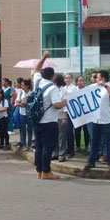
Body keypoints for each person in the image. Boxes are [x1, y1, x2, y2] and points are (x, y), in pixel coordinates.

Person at [32, 51, 67, 180]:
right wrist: (65, 102)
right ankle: (46, 171)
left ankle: (39, 170)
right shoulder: (53, 88)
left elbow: (36, 68)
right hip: (49, 122)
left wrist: (44, 57)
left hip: (37, 120)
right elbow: (57, 105)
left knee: (39, 147)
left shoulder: (37, 81)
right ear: (53, 77)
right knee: (48, 147)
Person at [85, 70, 110, 173]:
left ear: (103, 78)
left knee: (108, 142)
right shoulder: (94, 87)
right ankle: (91, 161)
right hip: (95, 120)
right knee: (94, 142)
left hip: (107, 120)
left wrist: (105, 86)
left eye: (98, 77)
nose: (96, 79)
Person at [52, 74, 68, 162]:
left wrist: (64, 117)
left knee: (61, 136)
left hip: (61, 115)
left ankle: (62, 154)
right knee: (54, 135)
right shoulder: (53, 90)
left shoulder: (64, 91)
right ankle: (55, 153)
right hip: (53, 116)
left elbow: (66, 104)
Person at [16, 79, 33, 151]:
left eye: (23, 85)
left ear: (27, 86)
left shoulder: (31, 93)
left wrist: (25, 104)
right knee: (22, 129)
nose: (21, 86)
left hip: (29, 113)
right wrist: (23, 104)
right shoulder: (20, 93)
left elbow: (32, 104)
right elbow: (17, 103)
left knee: (29, 129)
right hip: (22, 113)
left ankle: (29, 144)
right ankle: (23, 144)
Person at [74, 76, 89, 152]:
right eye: (79, 81)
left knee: (86, 130)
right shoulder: (74, 90)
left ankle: (86, 145)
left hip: (86, 113)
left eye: (82, 80)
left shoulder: (88, 90)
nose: (81, 82)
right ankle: (77, 146)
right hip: (77, 114)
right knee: (77, 130)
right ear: (77, 82)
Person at [64, 73, 77, 157]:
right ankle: (66, 148)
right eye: (66, 78)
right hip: (64, 112)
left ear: (71, 79)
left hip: (71, 112)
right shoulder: (63, 88)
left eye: (69, 78)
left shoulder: (74, 88)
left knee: (69, 132)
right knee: (64, 132)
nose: (67, 79)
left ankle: (71, 150)